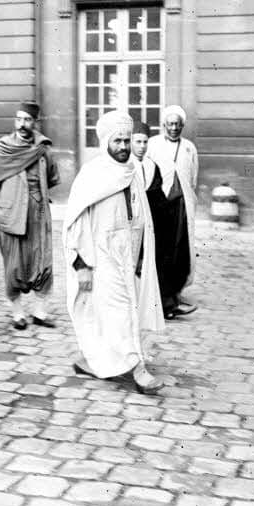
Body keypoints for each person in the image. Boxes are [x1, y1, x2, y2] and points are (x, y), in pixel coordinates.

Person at [63, 110, 165, 395]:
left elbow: (141, 217)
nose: (123, 147)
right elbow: (75, 223)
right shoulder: (92, 175)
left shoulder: (132, 171)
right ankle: (138, 369)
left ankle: (95, 362)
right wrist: (81, 265)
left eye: (126, 140)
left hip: (127, 255)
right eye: (117, 141)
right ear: (105, 141)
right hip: (100, 255)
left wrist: (142, 254)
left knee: (116, 314)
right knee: (120, 314)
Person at [0, 101, 59, 330]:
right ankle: (17, 314)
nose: (22, 124)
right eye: (19, 119)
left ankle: (39, 312)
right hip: (10, 212)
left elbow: (52, 176)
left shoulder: (43, 148)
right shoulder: (3, 148)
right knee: (14, 265)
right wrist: (6, 203)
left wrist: (36, 198)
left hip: (38, 212)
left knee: (42, 261)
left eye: (27, 119)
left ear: (35, 122)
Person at [144, 105, 199, 318]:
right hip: (161, 202)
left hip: (182, 203)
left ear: (182, 126)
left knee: (180, 249)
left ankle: (175, 291)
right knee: (162, 248)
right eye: (170, 124)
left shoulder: (189, 148)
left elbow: (193, 177)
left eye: (177, 124)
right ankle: (162, 296)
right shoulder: (153, 144)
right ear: (164, 125)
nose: (173, 128)